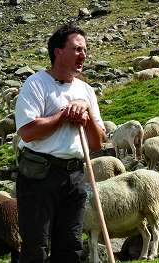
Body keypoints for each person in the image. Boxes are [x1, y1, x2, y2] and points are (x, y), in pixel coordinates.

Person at [15, 23, 106, 263]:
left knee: (70, 246)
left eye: (85, 50)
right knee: (36, 247)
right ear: (58, 52)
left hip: (74, 176)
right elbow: (27, 132)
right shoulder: (35, 84)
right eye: (77, 49)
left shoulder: (86, 91)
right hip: (39, 176)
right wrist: (64, 115)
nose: (83, 55)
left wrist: (85, 116)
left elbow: (97, 143)